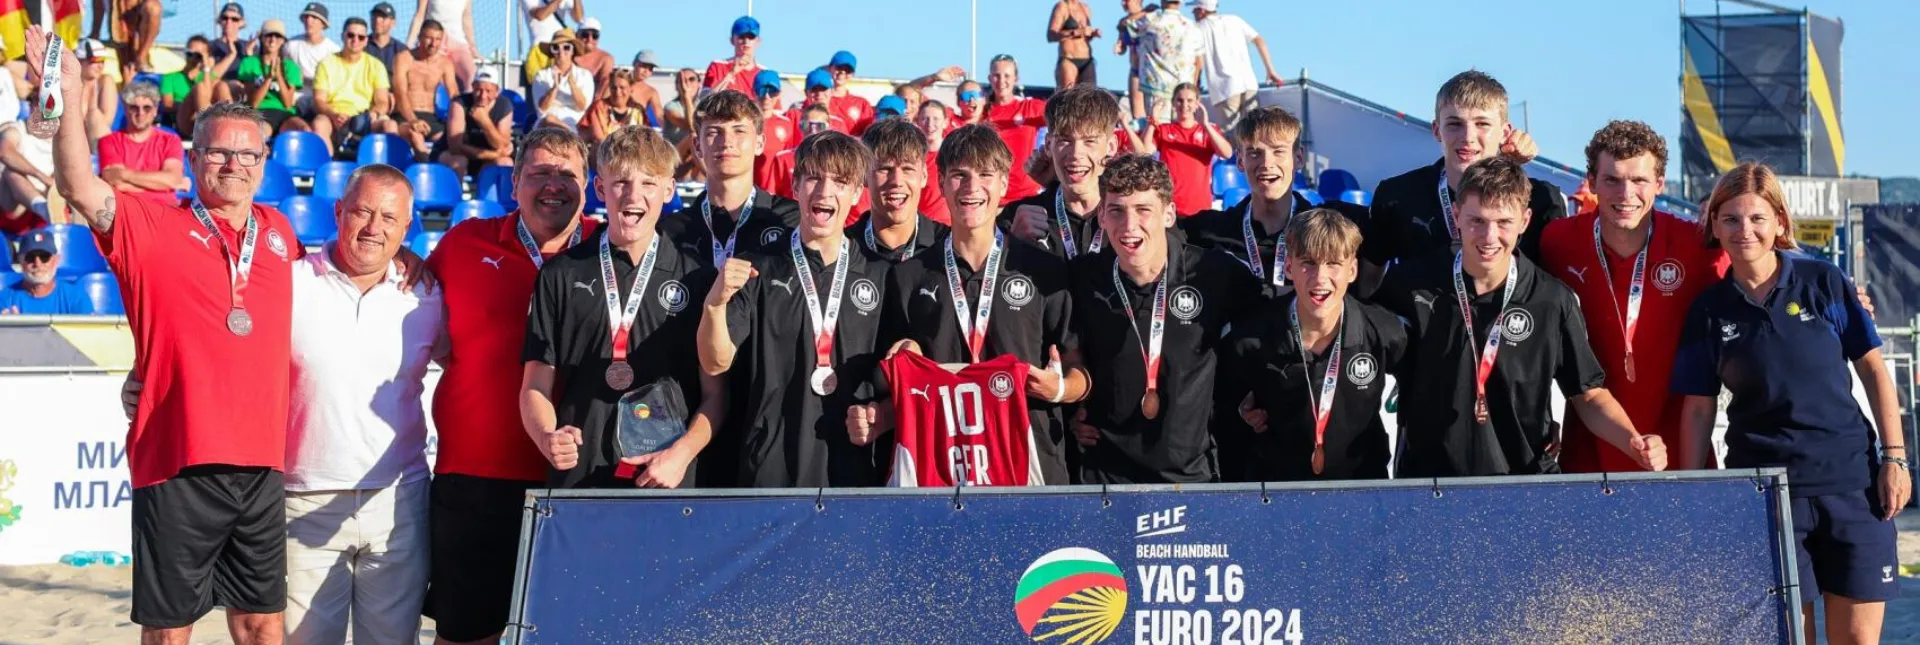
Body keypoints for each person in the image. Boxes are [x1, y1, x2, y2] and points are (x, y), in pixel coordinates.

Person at [40, 22, 302, 640]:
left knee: (263, 624)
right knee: (169, 630)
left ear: (264, 163)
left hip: (262, 463)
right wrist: (71, 93)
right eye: (218, 152)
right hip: (176, 459)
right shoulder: (151, 225)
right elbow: (78, 186)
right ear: (192, 157)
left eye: (248, 154)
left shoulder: (280, 233)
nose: (233, 164)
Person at [114, 166, 442, 645]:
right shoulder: (288, 280)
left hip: (398, 502)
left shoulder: (428, 295)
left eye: (389, 218)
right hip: (301, 498)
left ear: (407, 227)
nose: (374, 228)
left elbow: (467, 362)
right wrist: (144, 372)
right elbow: (209, 330)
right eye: (362, 212)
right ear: (338, 211)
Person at [1672, 162, 1909, 645]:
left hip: (1852, 486)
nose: (1745, 230)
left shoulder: (1825, 283)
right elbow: (1697, 409)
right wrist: (1694, 491)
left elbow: (1874, 371)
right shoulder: (1708, 310)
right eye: (1731, 219)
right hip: (1766, 494)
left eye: (1757, 218)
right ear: (1714, 225)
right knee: (1789, 638)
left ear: (1780, 221)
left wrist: (1895, 458)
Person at [422, 127, 600, 645]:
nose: (553, 185)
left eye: (567, 174)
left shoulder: (611, 249)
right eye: (539, 173)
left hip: (579, 477)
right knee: (466, 633)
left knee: (570, 633)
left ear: (588, 184)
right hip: (476, 474)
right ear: (515, 180)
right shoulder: (464, 243)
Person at [1376, 156, 1664, 477]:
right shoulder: (1408, 286)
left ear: (1525, 221)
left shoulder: (1551, 300)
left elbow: (1588, 393)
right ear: (1456, 216)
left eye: (1504, 222)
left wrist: (1634, 442)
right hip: (1430, 485)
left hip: (1524, 483)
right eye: (1477, 221)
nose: (1489, 236)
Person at [870, 123, 1083, 483]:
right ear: (940, 182)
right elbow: (887, 377)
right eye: (959, 175)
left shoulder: (1043, 271)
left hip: (1027, 463)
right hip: (941, 467)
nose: (971, 188)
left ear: (1004, 184)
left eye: (985, 175)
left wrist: (1058, 389)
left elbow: (1080, 369)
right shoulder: (908, 276)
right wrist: (904, 355)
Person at [1175, 105, 1373, 481]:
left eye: (1279, 151)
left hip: (1307, 400)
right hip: (1231, 410)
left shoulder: (1334, 227)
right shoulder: (1207, 232)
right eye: (1254, 152)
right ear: (1239, 159)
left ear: (1298, 157)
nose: (1266, 164)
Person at [521, 125, 722, 489]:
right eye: (621, 182)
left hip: (667, 475)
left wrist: (681, 455)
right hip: (581, 475)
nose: (634, 195)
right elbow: (535, 385)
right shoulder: (561, 274)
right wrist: (547, 435)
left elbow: (717, 395)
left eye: (648, 183)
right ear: (600, 189)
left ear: (669, 190)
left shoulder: (699, 278)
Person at [697, 131, 888, 487]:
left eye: (840, 181)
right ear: (796, 185)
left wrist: (883, 416)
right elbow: (715, 362)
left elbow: (903, 379)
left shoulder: (881, 275)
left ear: (856, 194)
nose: (825, 192)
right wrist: (714, 305)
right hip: (770, 470)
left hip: (853, 472)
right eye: (814, 177)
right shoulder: (757, 268)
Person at [1537, 121, 1727, 473]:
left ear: (1659, 184)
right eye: (1612, 180)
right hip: (1589, 453)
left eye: (1639, 180)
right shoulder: (1557, 242)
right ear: (1592, 182)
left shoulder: (1696, 245)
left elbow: (1758, 282)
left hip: (1677, 454)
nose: (1626, 194)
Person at [1069, 154, 1258, 483]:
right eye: (1116, 211)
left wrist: (1264, 394)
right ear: (1101, 215)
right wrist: (1067, 416)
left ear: (1169, 214)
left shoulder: (1214, 273)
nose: (1129, 226)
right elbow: (1056, 348)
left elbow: (1276, 324)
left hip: (1191, 478)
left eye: (1143, 210)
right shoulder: (1082, 278)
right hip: (1106, 478)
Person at [1225, 209, 1405, 481]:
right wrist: (1242, 411)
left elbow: (1421, 399)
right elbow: (1222, 411)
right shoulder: (1250, 337)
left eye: (1333, 263)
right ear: (1289, 267)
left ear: (1352, 270)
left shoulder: (1385, 332)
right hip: (1275, 490)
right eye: (1308, 263)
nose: (1320, 278)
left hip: (1362, 487)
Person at [1363, 70, 1554, 268]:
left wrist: (1510, 167)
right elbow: (1369, 283)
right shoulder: (1396, 196)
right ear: (1437, 130)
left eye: (1482, 124)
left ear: (1504, 133)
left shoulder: (1541, 200)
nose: (1468, 137)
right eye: (1455, 124)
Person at [682, 89, 801, 270]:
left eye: (739, 131)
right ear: (698, 146)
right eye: (714, 132)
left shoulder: (793, 221)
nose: (726, 142)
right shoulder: (672, 230)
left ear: (760, 143)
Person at [1001, 86, 1117, 262]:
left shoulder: (1128, 217)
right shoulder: (1018, 216)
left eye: (1089, 141)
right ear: (1048, 144)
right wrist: (1012, 244)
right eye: (1065, 140)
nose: (1076, 154)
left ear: (1111, 146)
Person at [851, 118, 949, 266]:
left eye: (907, 169)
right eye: (885, 169)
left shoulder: (950, 245)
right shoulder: (842, 247)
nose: (897, 181)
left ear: (924, 176)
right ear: (864, 175)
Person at [1138, 82, 1230, 217]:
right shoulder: (1164, 130)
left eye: (1190, 100)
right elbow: (1143, 153)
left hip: (1201, 209)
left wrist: (1206, 125)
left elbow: (1227, 153)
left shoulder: (1207, 131)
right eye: (1180, 100)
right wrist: (1153, 120)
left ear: (1197, 103)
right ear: (1173, 103)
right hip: (1170, 208)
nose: (1184, 105)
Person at [1190, 0, 1282, 127]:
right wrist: (1270, 70)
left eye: (1194, 10)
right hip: (1248, 83)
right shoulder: (1234, 20)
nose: (1193, 13)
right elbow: (1259, 40)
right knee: (1253, 130)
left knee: (1230, 134)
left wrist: (1193, 88)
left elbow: (1198, 62)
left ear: (1202, 10)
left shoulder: (1198, 28)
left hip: (1224, 89)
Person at [310, 17, 398, 147]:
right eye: (351, 35)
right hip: (333, 115)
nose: (355, 40)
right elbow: (319, 100)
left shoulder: (376, 65)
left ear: (366, 41)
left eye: (361, 37)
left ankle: (387, 161)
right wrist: (334, 115)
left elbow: (382, 101)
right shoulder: (326, 64)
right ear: (343, 36)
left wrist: (373, 113)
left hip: (365, 116)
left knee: (390, 125)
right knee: (319, 124)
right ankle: (328, 159)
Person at [99, 81, 187, 205]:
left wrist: (124, 175)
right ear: (126, 110)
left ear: (155, 110)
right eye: (134, 107)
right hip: (125, 208)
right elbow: (115, 183)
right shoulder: (109, 141)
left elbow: (172, 179)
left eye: (147, 108)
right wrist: (163, 186)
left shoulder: (171, 140)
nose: (140, 113)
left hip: (165, 209)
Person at [982, 55, 1047, 204]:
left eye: (1007, 76)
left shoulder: (1029, 107)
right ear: (989, 78)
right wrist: (934, 78)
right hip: (993, 198)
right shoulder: (981, 112)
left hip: (1027, 196)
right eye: (996, 75)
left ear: (1016, 78)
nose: (1001, 81)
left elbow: (1064, 115)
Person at [393, 19, 457, 158]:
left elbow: (454, 95)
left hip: (430, 118)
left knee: (449, 139)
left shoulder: (444, 64)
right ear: (420, 37)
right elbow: (400, 93)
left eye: (438, 39)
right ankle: (426, 169)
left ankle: (442, 169)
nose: (433, 43)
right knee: (416, 136)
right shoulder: (404, 58)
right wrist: (412, 120)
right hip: (405, 116)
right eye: (429, 38)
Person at [436, 70, 514, 181]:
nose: (483, 96)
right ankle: (453, 191)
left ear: (497, 92)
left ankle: (495, 193)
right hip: (455, 155)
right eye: (478, 90)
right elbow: (455, 147)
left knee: (505, 163)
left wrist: (484, 122)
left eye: (488, 91)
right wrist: (493, 155)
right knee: (459, 161)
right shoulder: (459, 104)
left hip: (485, 159)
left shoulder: (504, 105)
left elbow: (502, 146)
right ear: (472, 87)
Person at [236, 19, 311, 135]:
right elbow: (253, 103)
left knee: (304, 130)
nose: (272, 40)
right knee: (261, 132)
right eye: (268, 35)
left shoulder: (291, 67)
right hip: (260, 112)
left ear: (283, 41)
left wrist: (279, 76)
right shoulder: (250, 63)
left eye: (277, 36)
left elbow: (288, 103)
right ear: (261, 38)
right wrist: (269, 78)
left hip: (284, 114)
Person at [1134, 0, 1200, 122]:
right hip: (1184, 88)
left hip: (1155, 85)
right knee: (1181, 129)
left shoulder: (1149, 20)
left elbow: (1125, 25)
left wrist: (1144, 11)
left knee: (1157, 128)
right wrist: (1193, 87)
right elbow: (1199, 61)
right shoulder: (1193, 27)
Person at [0, 228, 92, 314]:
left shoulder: (76, 297)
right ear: (20, 260)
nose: (37, 264)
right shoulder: (4, 299)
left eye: (44, 257)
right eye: (30, 257)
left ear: (56, 260)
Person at [159, 36, 236, 136]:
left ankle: (231, 126)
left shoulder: (207, 76)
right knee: (199, 87)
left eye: (198, 55)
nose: (193, 58)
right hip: (184, 120)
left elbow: (208, 94)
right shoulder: (170, 77)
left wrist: (206, 68)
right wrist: (194, 104)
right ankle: (209, 128)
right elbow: (167, 104)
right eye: (190, 53)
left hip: (205, 115)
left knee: (221, 86)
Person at [409, 0, 479, 92]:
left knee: (472, 74)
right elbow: (419, 15)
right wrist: (409, 43)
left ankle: (465, 101)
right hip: (435, 42)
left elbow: (467, 17)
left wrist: (473, 46)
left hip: (458, 43)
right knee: (437, 76)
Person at [531, 29, 595, 130]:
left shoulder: (585, 75)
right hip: (546, 127)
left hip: (575, 126)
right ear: (552, 52)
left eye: (566, 47)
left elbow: (583, 106)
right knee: (549, 119)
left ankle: (568, 132)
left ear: (573, 51)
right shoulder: (541, 76)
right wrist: (554, 88)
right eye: (556, 48)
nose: (561, 52)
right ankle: (567, 132)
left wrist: (572, 84)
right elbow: (542, 108)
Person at [750, 69, 796, 194]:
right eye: (762, 90)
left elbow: (790, 158)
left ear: (779, 94)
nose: (766, 97)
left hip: (777, 192)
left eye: (772, 92)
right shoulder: (744, 122)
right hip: (748, 189)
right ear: (753, 92)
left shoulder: (787, 124)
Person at [520, 0, 583, 84]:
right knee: (541, 85)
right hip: (540, 51)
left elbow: (579, 18)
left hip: (561, 49)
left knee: (564, 84)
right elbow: (540, 15)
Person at [580, 68, 643, 148]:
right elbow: (599, 137)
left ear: (631, 89)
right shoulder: (599, 107)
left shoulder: (638, 110)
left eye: (622, 87)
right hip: (605, 149)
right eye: (614, 87)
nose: (617, 92)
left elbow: (642, 137)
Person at [76, 39, 121, 147]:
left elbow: (106, 122)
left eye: (103, 61)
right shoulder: (70, 84)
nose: (101, 66)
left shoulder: (105, 81)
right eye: (96, 60)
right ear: (80, 61)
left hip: (96, 142)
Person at [285, 3, 342, 85]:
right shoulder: (291, 45)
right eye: (306, 17)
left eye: (314, 17)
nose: (308, 21)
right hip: (295, 91)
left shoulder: (333, 50)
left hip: (322, 91)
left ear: (323, 24)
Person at [705, 16, 763, 97]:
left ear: (758, 41)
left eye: (751, 37)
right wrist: (731, 74)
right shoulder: (717, 66)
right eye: (741, 37)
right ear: (732, 40)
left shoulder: (763, 73)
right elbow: (704, 99)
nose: (746, 41)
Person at [1049, 0, 1101, 88]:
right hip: (1069, 60)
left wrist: (1093, 34)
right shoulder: (1062, 7)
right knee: (1068, 94)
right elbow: (1051, 35)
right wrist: (1075, 32)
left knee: (1089, 94)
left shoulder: (1085, 7)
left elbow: (1085, 35)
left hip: (1087, 60)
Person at [915, 99, 950, 223]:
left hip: (950, 225)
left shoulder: (955, 154)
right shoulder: (912, 157)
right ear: (918, 122)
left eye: (936, 119)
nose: (930, 124)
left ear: (945, 122)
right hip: (921, 225)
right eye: (925, 118)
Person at [823, 51, 874, 135]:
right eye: (839, 67)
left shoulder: (861, 104)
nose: (842, 72)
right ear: (830, 68)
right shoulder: (819, 99)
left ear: (852, 75)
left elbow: (869, 133)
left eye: (848, 70)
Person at [208, 2, 254, 80]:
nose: (229, 22)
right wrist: (231, 55)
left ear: (241, 22)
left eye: (234, 19)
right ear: (220, 20)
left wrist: (249, 55)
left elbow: (255, 77)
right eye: (225, 18)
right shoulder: (210, 46)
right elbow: (208, 78)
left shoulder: (249, 46)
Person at [365, 2, 410, 78]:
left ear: (393, 22)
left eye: (383, 17)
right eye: (374, 16)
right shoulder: (360, 45)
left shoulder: (401, 50)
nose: (377, 20)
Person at [571, 18, 615, 94]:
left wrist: (597, 99)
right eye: (585, 35)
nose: (590, 39)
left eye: (595, 35)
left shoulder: (605, 58)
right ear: (577, 35)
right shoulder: (568, 53)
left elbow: (605, 82)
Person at [627, 50, 665, 128]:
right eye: (643, 66)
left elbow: (659, 115)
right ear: (634, 63)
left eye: (650, 69)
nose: (646, 71)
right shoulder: (618, 83)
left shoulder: (651, 92)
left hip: (636, 131)